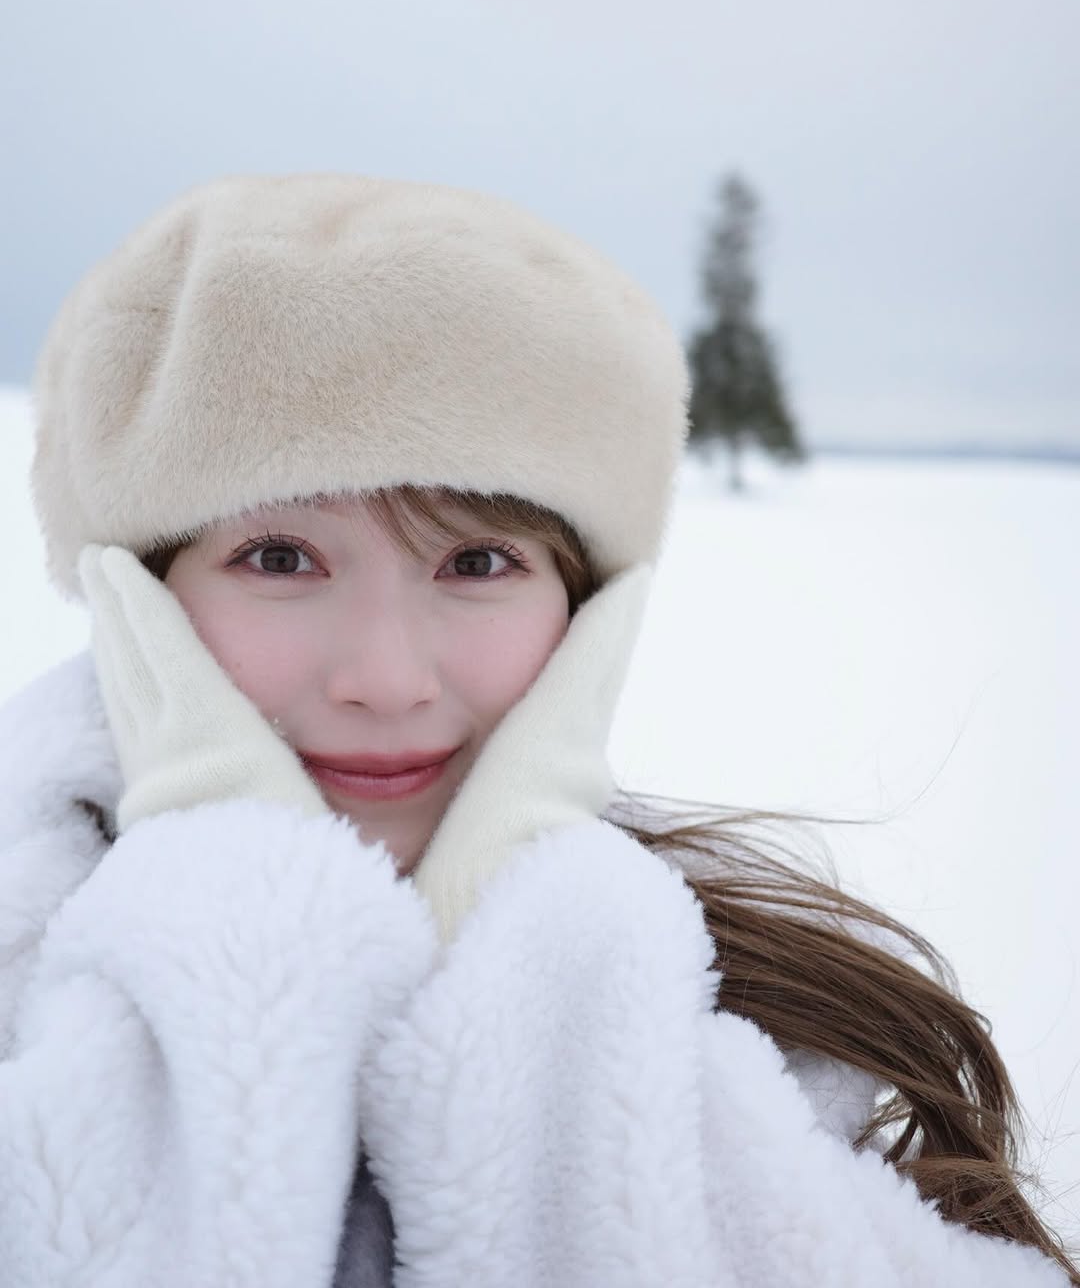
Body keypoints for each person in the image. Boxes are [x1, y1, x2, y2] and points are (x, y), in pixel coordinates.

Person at [0, 173, 1074, 1287]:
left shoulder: (790, 1066)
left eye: (477, 560)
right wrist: (237, 928)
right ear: (137, 597)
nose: (385, 678)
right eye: (279, 557)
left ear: (588, 611)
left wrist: (531, 993)